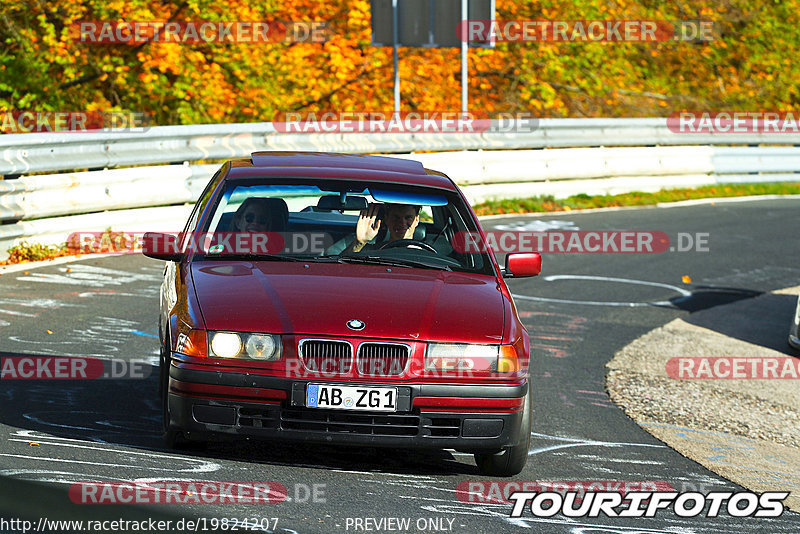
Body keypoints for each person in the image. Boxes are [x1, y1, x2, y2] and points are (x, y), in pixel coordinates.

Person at [347, 203, 421, 253]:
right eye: (396, 218)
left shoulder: (427, 254)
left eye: (408, 217)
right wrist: (359, 243)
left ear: (417, 220)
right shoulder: (373, 251)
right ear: (386, 219)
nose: (402, 223)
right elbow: (340, 266)